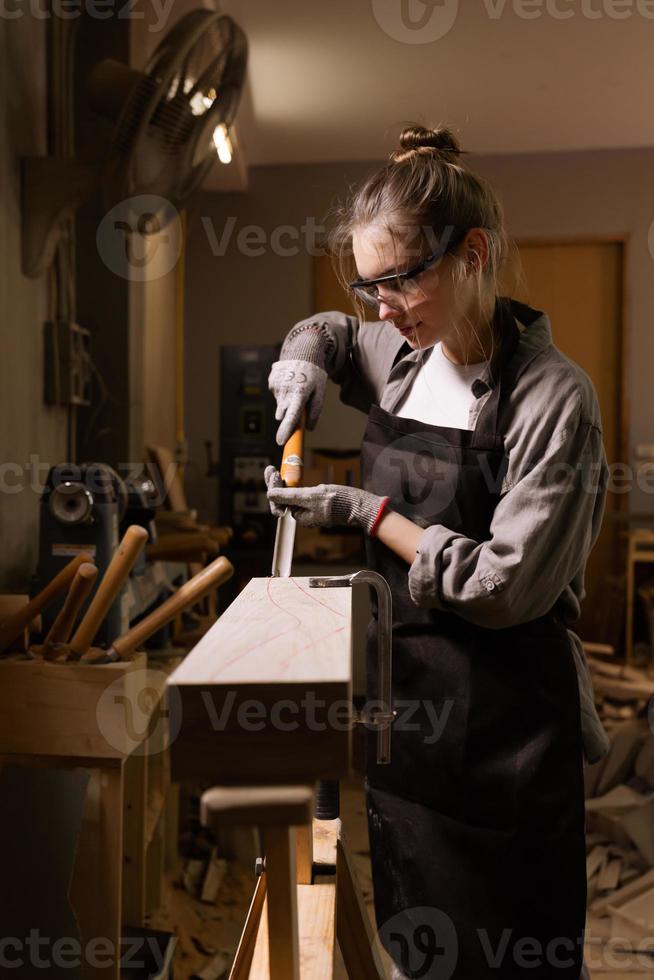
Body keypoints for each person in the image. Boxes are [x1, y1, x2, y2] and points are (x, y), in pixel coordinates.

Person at [265, 125, 608, 979]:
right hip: (408, 721)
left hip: (509, 739)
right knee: (419, 945)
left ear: (472, 253)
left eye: (399, 281)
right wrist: (302, 361)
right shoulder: (404, 355)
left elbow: (504, 585)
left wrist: (366, 510)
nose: (382, 308)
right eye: (367, 283)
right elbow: (333, 332)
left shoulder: (553, 398)